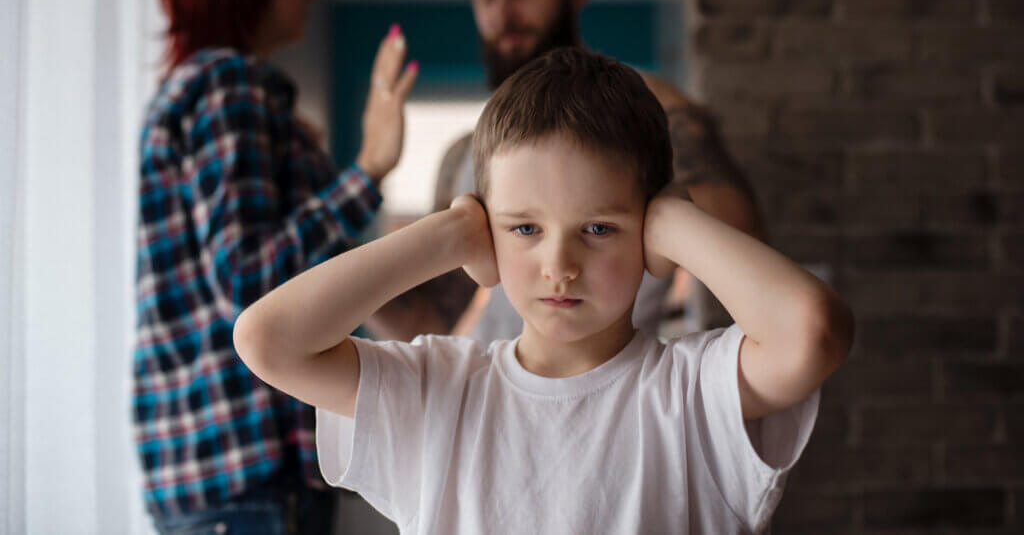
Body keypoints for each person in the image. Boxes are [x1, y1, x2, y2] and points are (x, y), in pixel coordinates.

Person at [234, 48, 854, 534]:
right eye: (524, 228)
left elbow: (814, 332)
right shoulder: (437, 389)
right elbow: (266, 340)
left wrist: (673, 222)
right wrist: (449, 235)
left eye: (599, 228)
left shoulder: (691, 392)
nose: (559, 264)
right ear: (487, 227)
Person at [133, 0, 417, 533]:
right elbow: (250, 281)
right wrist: (369, 167)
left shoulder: (197, 89)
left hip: (210, 470)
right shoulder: (227, 83)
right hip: (246, 469)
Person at [367, 0, 763, 343]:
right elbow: (430, 322)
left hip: (617, 389)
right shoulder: (468, 153)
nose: (503, 16)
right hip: (499, 393)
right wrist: (365, 177)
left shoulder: (656, 114)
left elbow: (744, 256)